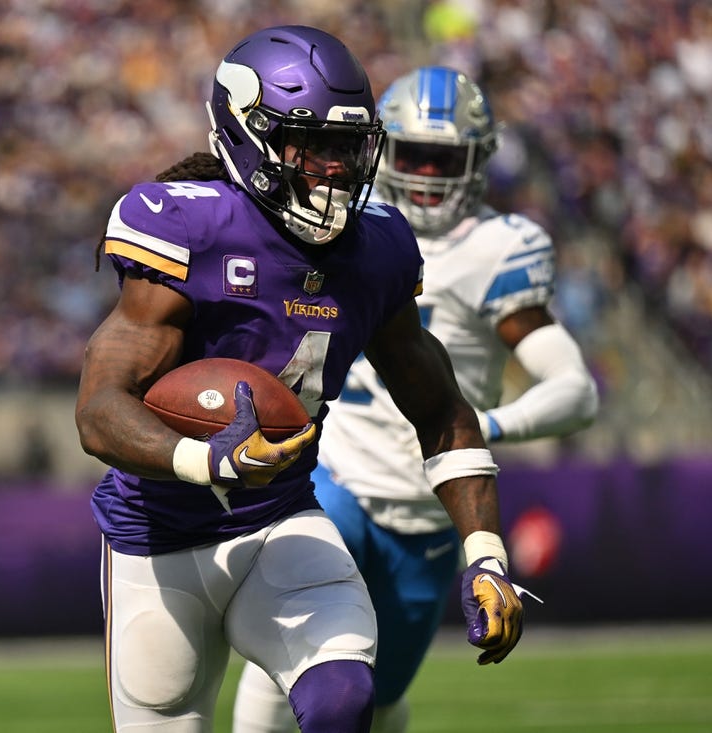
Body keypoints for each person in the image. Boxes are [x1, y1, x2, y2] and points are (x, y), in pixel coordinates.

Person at [75, 32, 526, 733]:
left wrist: (486, 555)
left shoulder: (377, 250)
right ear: (249, 136)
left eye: (348, 149)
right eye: (311, 146)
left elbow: (441, 408)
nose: (336, 170)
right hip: (157, 538)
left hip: (279, 520)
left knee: (345, 696)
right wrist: (207, 458)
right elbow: (99, 410)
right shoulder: (185, 227)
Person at [233, 65, 599, 733]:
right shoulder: (346, 225)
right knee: (282, 658)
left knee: (379, 694)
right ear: (382, 152)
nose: (428, 174)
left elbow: (576, 391)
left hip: (430, 514)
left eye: (444, 157)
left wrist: (479, 424)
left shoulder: (497, 249)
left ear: (477, 161)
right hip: (333, 482)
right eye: (415, 154)